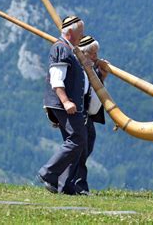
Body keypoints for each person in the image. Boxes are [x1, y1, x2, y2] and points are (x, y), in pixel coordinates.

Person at [38, 15, 88, 194]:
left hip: (65, 104)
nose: (82, 36)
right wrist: (66, 101)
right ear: (70, 33)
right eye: (80, 32)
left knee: (75, 142)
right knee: (78, 139)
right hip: (64, 104)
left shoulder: (68, 49)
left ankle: (65, 186)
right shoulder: (62, 49)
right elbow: (56, 79)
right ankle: (48, 172)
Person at [72, 35, 107, 195]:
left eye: (96, 53)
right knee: (81, 150)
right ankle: (79, 186)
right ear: (83, 54)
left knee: (87, 147)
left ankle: (68, 181)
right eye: (92, 53)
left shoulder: (90, 69)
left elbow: (95, 91)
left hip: (88, 116)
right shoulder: (77, 69)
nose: (96, 57)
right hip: (79, 115)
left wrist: (103, 76)